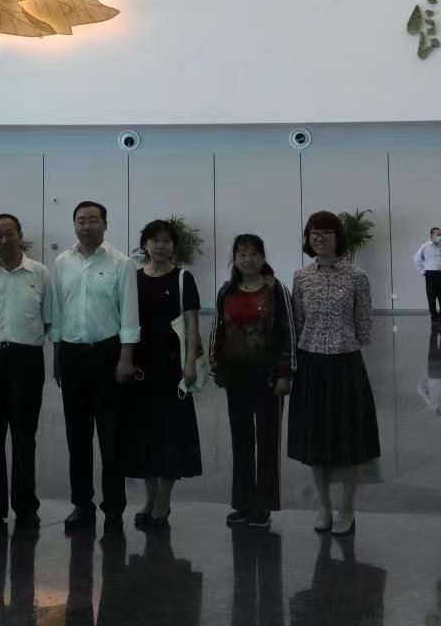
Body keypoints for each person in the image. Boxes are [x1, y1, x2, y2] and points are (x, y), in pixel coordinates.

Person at [289, 210, 380, 537]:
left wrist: (343, 341)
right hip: (311, 364)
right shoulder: (301, 277)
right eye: (314, 233)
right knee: (316, 439)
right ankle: (323, 505)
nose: (319, 238)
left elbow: (364, 325)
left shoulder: (357, 277)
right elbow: (297, 322)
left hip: (345, 365)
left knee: (350, 439)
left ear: (337, 237)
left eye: (326, 233)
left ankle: (347, 508)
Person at [49, 200, 139, 534]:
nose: (86, 226)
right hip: (72, 355)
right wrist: (57, 355)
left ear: (105, 224)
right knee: (78, 436)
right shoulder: (62, 262)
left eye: (93, 220)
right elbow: (58, 311)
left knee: (112, 437)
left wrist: (126, 357)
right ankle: (82, 504)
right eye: (80, 220)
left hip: (108, 355)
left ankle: (114, 508)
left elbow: (129, 313)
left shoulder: (121, 264)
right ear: (74, 224)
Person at [0, 213, 53, 531]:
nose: (3, 240)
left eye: (8, 234)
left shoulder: (40, 273)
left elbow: (48, 320)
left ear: (20, 235)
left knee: (24, 438)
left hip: (26, 362)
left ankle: (26, 507)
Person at [211, 233, 293, 529]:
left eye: (253, 254)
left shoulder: (276, 290)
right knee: (241, 441)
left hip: (268, 379)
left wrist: (285, 374)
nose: (248, 259)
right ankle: (244, 503)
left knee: (267, 442)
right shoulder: (227, 290)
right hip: (236, 378)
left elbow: (288, 333)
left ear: (262, 257)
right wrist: (216, 367)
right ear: (235, 259)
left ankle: (264, 505)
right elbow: (218, 331)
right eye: (242, 254)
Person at [123, 219, 202, 529]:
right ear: (145, 245)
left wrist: (191, 362)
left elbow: (192, 323)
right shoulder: (134, 278)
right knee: (145, 437)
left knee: (170, 436)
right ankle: (149, 497)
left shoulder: (183, 278)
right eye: (155, 240)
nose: (160, 245)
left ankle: (164, 501)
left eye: (167, 240)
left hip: (172, 369)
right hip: (141, 370)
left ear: (174, 246)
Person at [414, 227, 441, 327]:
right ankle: (434, 318)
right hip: (431, 274)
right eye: (438, 234)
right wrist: (423, 272)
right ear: (432, 235)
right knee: (432, 297)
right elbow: (416, 259)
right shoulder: (425, 246)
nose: (440, 236)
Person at [419, 326, 441, 416]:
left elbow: (422, 390)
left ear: (438, 410)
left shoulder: (431, 403)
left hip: (436, 373)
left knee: (436, 345)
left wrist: (425, 376)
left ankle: (437, 326)